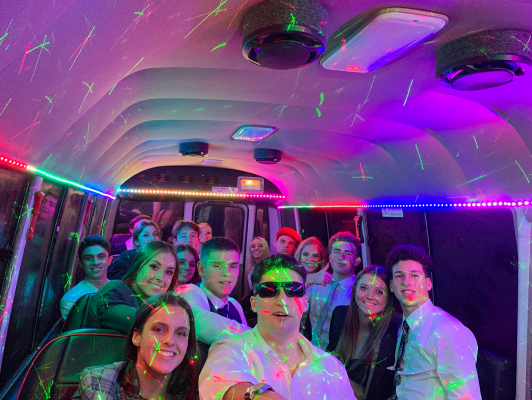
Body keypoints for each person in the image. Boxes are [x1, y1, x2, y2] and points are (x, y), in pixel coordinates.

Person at [199, 254, 356, 400]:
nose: (282, 301)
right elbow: (221, 384)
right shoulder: (231, 351)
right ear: (254, 303)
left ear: (305, 303)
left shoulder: (331, 366)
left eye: (293, 290)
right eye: (269, 290)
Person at [385, 245, 481, 400]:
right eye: (399, 276)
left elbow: (466, 397)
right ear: (391, 286)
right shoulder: (405, 326)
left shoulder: (448, 331)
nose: (406, 282)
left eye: (415, 276)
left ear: (428, 284)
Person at [74, 293, 199, 400]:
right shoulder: (98, 384)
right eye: (159, 329)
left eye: (181, 333)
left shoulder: (199, 392)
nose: (170, 341)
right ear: (137, 337)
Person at [328, 265, 399, 400]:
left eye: (379, 291)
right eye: (363, 288)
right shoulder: (340, 314)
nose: (369, 296)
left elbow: (385, 391)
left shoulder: (395, 330)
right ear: (355, 289)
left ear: (388, 297)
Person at [85, 241, 178, 334]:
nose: (161, 278)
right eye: (154, 267)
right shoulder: (115, 289)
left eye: (169, 272)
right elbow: (134, 320)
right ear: (138, 266)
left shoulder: (164, 307)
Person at [175, 237, 250, 345]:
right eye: (218, 266)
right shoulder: (188, 292)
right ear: (201, 269)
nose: (227, 273)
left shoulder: (235, 305)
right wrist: (259, 337)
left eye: (233, 266)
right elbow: (201, 325)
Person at [306, 231, 362, 350]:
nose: (341, 257)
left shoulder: (359, 292)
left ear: (356, 261)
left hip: (340, 356)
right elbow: (286, 296)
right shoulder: (316, 284)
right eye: (336, 252)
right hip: (310, 351)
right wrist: (309, 279)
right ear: (330, 257)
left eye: (347, 253)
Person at [60, 235, 112, 319]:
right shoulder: (72, 300)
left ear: (110, 260)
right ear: (81, 263)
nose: (95, 262)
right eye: (89, 258)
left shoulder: (119, 290)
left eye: (101, 256)